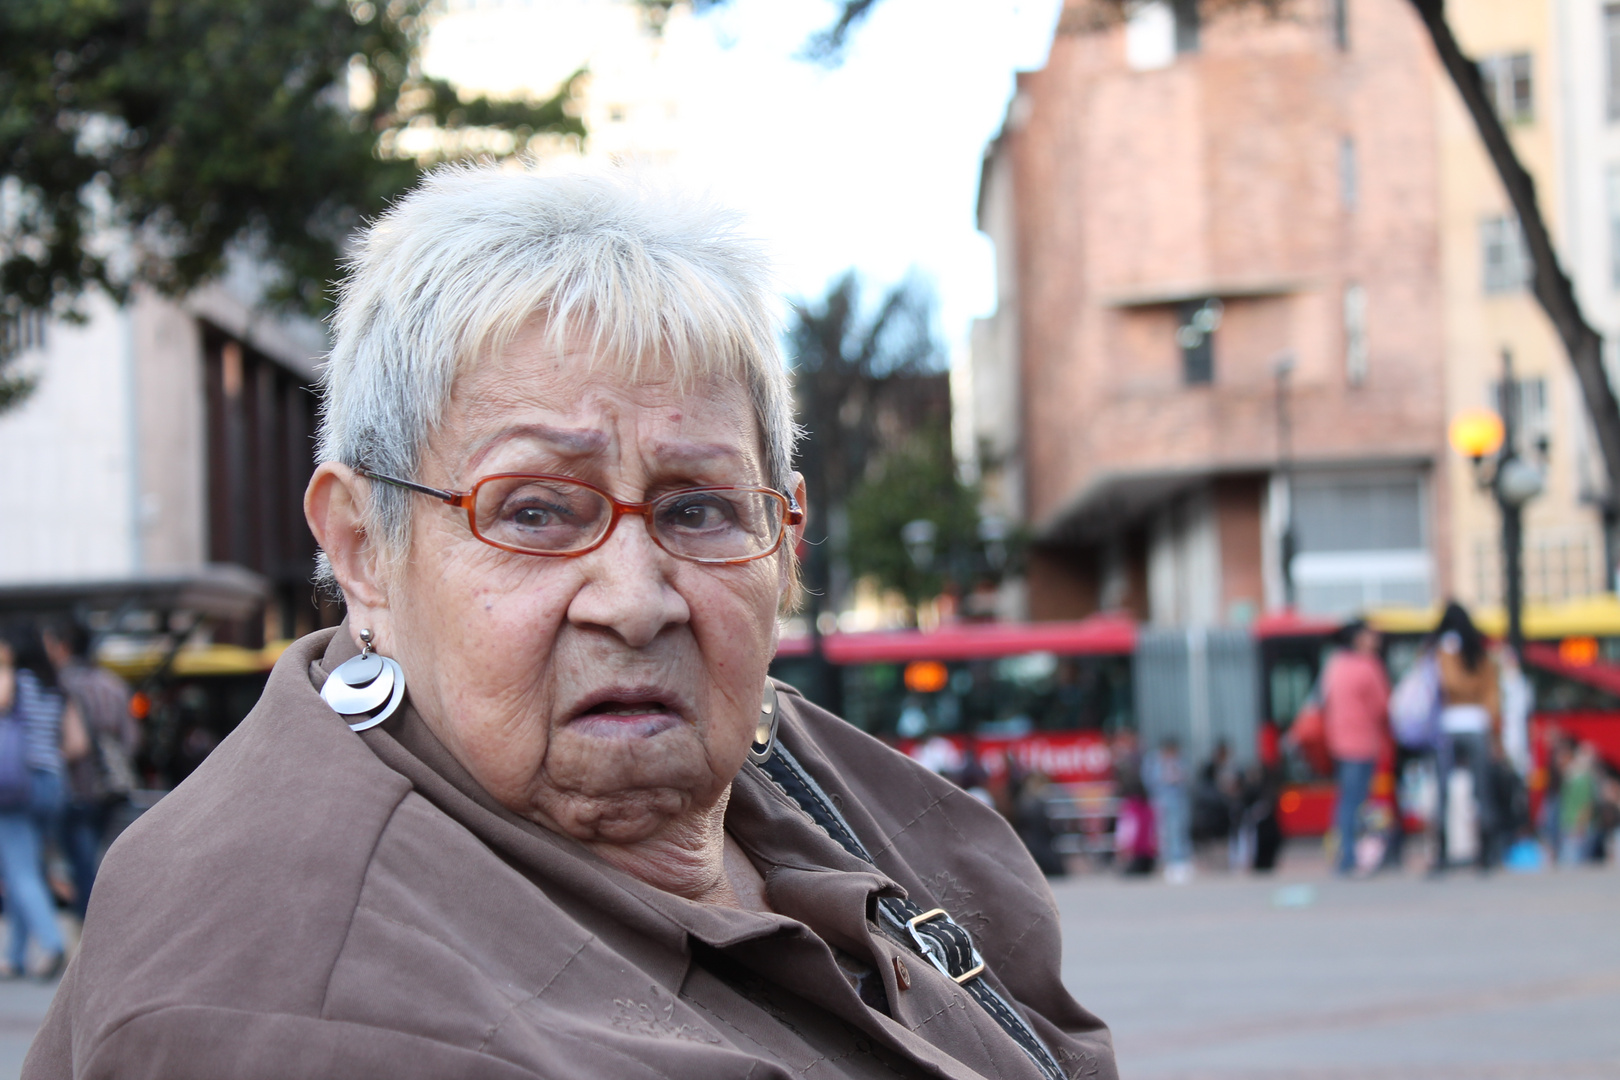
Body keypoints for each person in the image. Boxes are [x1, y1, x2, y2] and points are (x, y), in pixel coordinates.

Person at [27, 167, 1117, 1080]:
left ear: (784, 540)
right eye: (537, 512)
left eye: (698, 508)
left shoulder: (808, 769)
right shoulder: (292, 998)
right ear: (363, 552)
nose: (636, 598)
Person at [42, 620, 136, 921]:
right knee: (107, 859)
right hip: (112, 786)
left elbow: (70, 743)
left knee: (82, 866)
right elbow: (132, 737)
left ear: (63, 647)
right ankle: (115, 922)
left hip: (77, 788)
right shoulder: (113, 684)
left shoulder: (60, 684)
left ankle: (91, 931)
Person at [0, 626, 68, 980]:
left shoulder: (17, 680)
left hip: (15, 782)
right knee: (25, 867)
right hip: (52, 781)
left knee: (21, 871)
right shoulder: (53, 685)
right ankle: (13, 956)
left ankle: (53, 943)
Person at [1432, 601, 1501, 872]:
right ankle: (1486, 853)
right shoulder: (1481, 650)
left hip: (1447, 725)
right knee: (1482, 791)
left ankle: (1441, 854)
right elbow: (1492, 693)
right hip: (1477, 725)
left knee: (1442, 793)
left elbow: (1447, 684)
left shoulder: (1441, 650)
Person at [1321, 619, 1390, 876]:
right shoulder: (1368, 665)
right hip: (1363, 742)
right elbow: (1382, 706)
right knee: (1358, 802)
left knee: (1346, 801)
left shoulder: (1334, 664)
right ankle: (1353, 855)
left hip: (1338, 742)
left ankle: (1345, 854)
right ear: (1359, 638)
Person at [1144, 737, 1191, 882]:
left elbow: (1187, 778)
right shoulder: (1154, 761)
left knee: (1179, 830)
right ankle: (1168, 862)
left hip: (1178, 800)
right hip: (1162, 800)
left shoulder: (1180, 760)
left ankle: (1180, 861)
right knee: (1164, 833)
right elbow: (1149, 780)